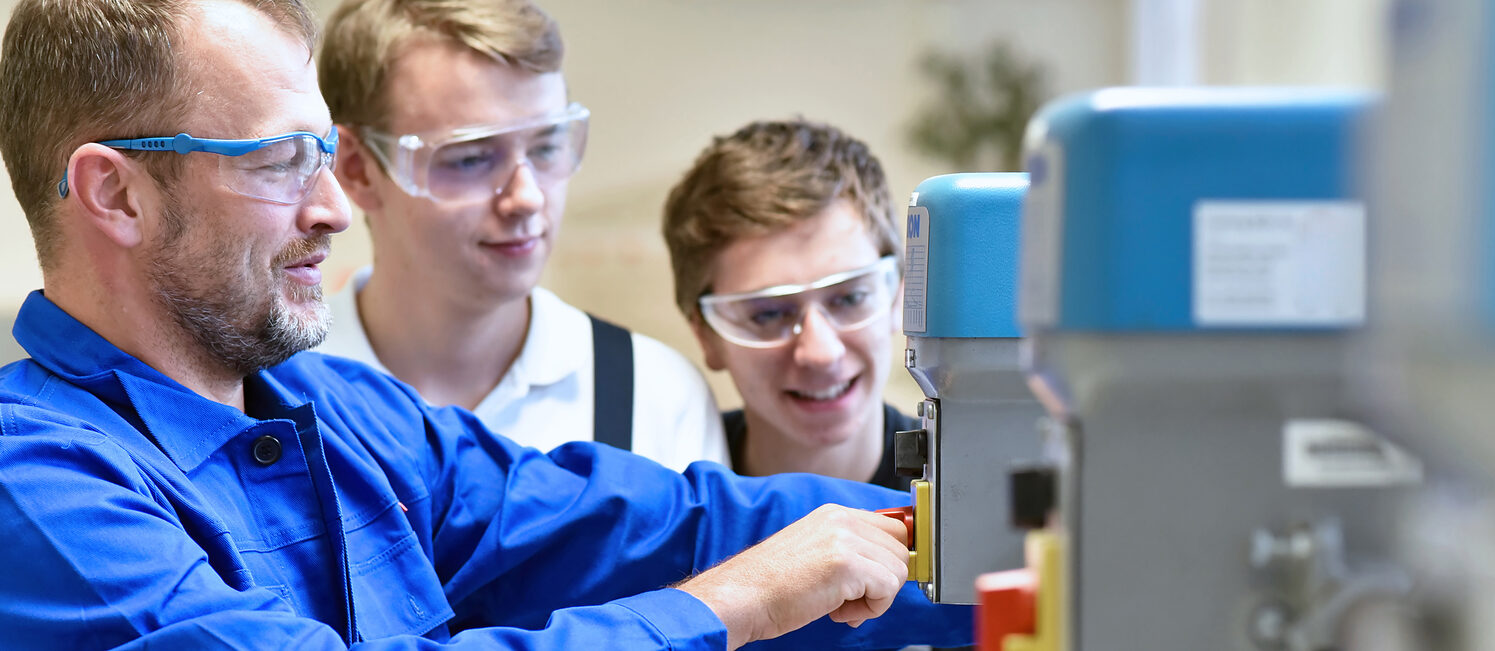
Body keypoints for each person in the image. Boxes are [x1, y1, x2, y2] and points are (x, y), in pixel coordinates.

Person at [0, 1, 973, 648]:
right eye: (276, 162)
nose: (333, 209)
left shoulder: (347, 415)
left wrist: (993, 536)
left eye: (324, 156)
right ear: (115, 195)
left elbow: (659, 525)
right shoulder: (36, 485)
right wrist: (739, 600)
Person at [314, 0, 725, 470]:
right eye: (470, 158)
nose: (527, 197)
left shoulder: (654, 397)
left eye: (546, 146)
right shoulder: (265, 391)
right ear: (357, 169)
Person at [663, 119, 916, 489]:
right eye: (767, 314)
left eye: (850, 297)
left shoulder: (972, 490)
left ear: (897, 298)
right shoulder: (672, 504)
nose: (821, 353)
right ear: (705, 336)